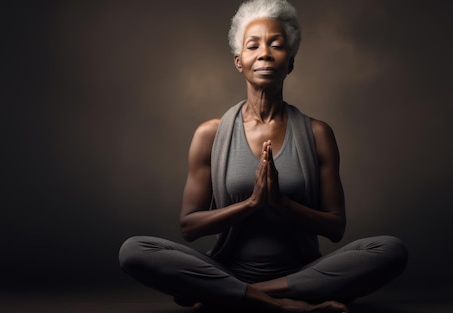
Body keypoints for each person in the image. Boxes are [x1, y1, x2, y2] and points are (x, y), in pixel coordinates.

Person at [119, 0, 407, 312]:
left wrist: (283, 205)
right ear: (239, 60)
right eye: (253, 45)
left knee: (390, 250)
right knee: (134, 250)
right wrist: (251, 204)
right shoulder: (210, 134)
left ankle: (243, 296)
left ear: (290, 61)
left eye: (277, 45)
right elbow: (189, 227)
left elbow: (335, 228)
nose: (265, 53)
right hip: (225, 270)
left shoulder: (318, 134)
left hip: (302, 274)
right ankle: (284, 306)